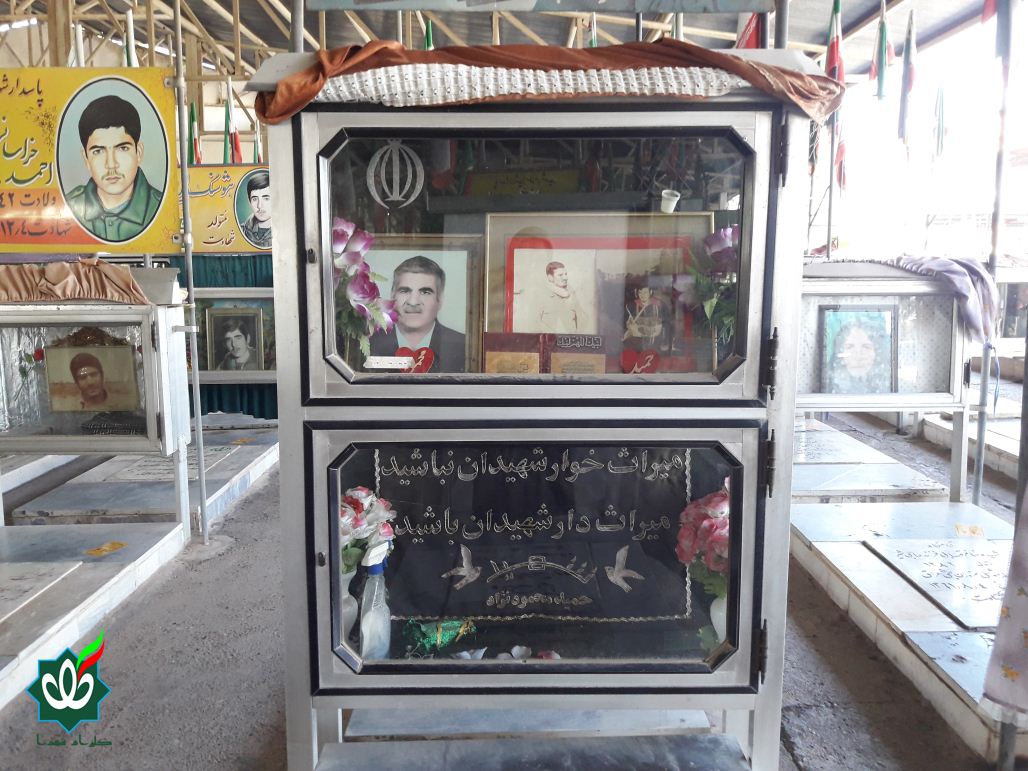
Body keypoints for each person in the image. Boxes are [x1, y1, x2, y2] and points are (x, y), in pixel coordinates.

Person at [65, 94, 163, 242]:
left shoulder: (161, 209)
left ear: (138, 152)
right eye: (98, 151)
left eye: (122, 148)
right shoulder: (67, 207)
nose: (111, 164)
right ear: (86, 159)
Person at [369, 255, 465, 372]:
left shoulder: (464, 348)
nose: (413, 302)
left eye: (425, 292)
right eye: (404, 291)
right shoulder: (369, 344)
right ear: (392, 295)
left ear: (440, 300)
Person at [825, 320, 891, 394]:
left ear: (877, 353)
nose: (858, 356)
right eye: (850, 347)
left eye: (866, 347)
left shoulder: (891, 388)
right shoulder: (826, 387)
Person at [537, 261, 590, 334]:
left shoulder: (571, 293)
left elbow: (583, 318)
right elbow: (533, 325)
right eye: (560, 275)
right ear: (550, 277)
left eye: (566, 274)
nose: (565, 278)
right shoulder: (541, 295)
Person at [623, 283, 669, 352]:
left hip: (655, 342)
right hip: (636, 342)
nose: (642, 295)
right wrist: (627, 324)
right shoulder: (630, 306)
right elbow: (624, 323)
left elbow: (666, 323)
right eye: (640, 293)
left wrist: (665, 341)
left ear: (650, 292)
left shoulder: (660, 305)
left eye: (645, 292)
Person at [240, 171, 272, 249]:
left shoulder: (285, 231)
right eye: (254, 199)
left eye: (266, 198)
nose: (259, 206)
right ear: (249, 202)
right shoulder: (242, 231)